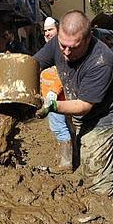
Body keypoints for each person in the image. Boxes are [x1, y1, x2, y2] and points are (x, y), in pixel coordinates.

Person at [33, 10, 113, 207]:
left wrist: (52, 105)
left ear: (88, 39)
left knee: (94, 169)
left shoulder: (101, 61)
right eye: (62, 46)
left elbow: (84, 106)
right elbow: (35, 63)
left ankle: (107, 213)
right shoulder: (59, 43)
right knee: (101, 152)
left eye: (73, 48)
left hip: (106, 115)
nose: (66, 52)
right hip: (82, 107)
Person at [40, 17, 74, 172]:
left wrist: (53, 92)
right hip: (53, 95)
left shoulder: (62, 48)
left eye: (50, 30)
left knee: (60, 127)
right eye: (45, 30)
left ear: (58, 29)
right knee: (66, 126)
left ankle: (66, 163)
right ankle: (74, 156)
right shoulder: (50, 47)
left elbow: (64, 73)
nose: (47, 33)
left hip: (57, 97)